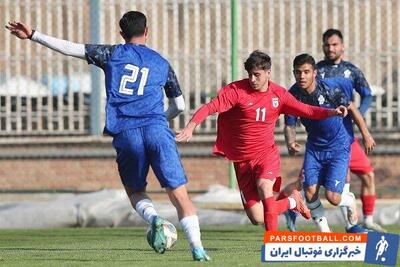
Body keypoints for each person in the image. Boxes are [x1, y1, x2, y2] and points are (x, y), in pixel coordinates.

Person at [6, 11, 211, 261]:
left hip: (126, 132)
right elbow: (178, 105)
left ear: (121, 34)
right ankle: (197, 247)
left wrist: (34, 35)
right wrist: (160, 118)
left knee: (135, 191)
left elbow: (72, 48)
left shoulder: (112, 54)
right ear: (147, 31)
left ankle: (155, 218)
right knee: (179, 194)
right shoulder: (161, 62)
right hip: (157, 129)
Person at [176, 50, 348, 231]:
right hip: (241, 160)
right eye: (250, 75)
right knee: (258, 217)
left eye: (257, 75)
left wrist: (331, 112)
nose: (253, 79)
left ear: (268, 73)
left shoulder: (278, 95)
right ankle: (292, 201)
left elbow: (306, 110)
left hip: (266, 154)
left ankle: (272, 243)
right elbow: (210, 107)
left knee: (265, 186)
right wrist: (190, 127)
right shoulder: (236, 91)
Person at [283, 53, 375, 232]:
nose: (302, 76)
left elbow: (353, 109)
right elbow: (289, 125)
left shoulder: (330, 89)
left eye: (306, 72)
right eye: (298, 72)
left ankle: (349, 201)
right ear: (294, 73)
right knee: (309, 193)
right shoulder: (292, 95)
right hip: (314, 149)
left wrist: (366, 134)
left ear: (314, 73)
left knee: (333, 197)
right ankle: (326, 234)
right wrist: (291, 141)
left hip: (338, 147)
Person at [317, 28, 384, 232]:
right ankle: (349, 225)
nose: (331, 48)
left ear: (342, 46)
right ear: (323, 47)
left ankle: (368, 220)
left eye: (335, 44)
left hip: (348, 135)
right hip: (325, 137)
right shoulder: (315, 71)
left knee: (368, 175)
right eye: (327, 45)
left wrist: (359, 116)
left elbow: (367, 95)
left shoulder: (352, 71)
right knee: (332, 182)